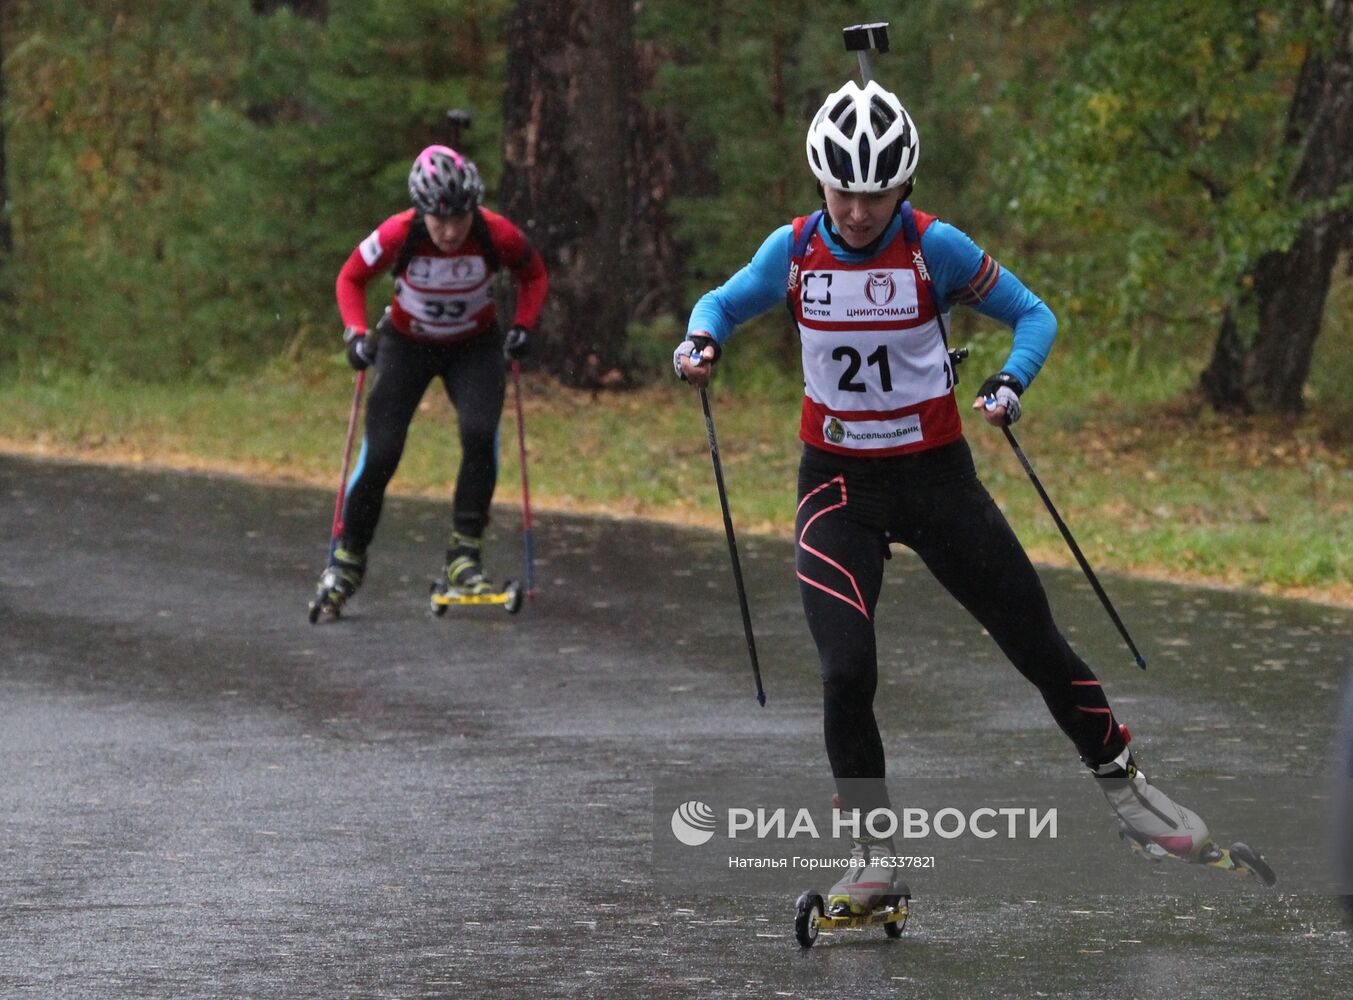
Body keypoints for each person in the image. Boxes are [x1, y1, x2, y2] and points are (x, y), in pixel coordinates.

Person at [675, 79, 1213, 915]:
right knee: (845, 669)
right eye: (843, 190)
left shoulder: (936, 250)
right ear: (819, 181)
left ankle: (1127, 790)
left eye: (876, 192)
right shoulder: (792, 251)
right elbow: (720, 302)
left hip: (937, 483)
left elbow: (1033, 315)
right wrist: (700, 339)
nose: (857, 210)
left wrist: (1008, 381)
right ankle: (872, 857)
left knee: (1036, 645)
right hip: (837, 488)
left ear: (904, 186)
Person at [313, 145, 547, 615]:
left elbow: (534, 274)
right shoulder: (399, 233)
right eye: (439, 220)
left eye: (459, 218)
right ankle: (347, 559)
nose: (450, 230)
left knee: (479, 435)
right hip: (407, 345)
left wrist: (523, 326)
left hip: (474, 348)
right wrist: (356, 335)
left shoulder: (494, 232)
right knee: (382, 452)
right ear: (421, 210)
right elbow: (350, 278)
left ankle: (465, 556)